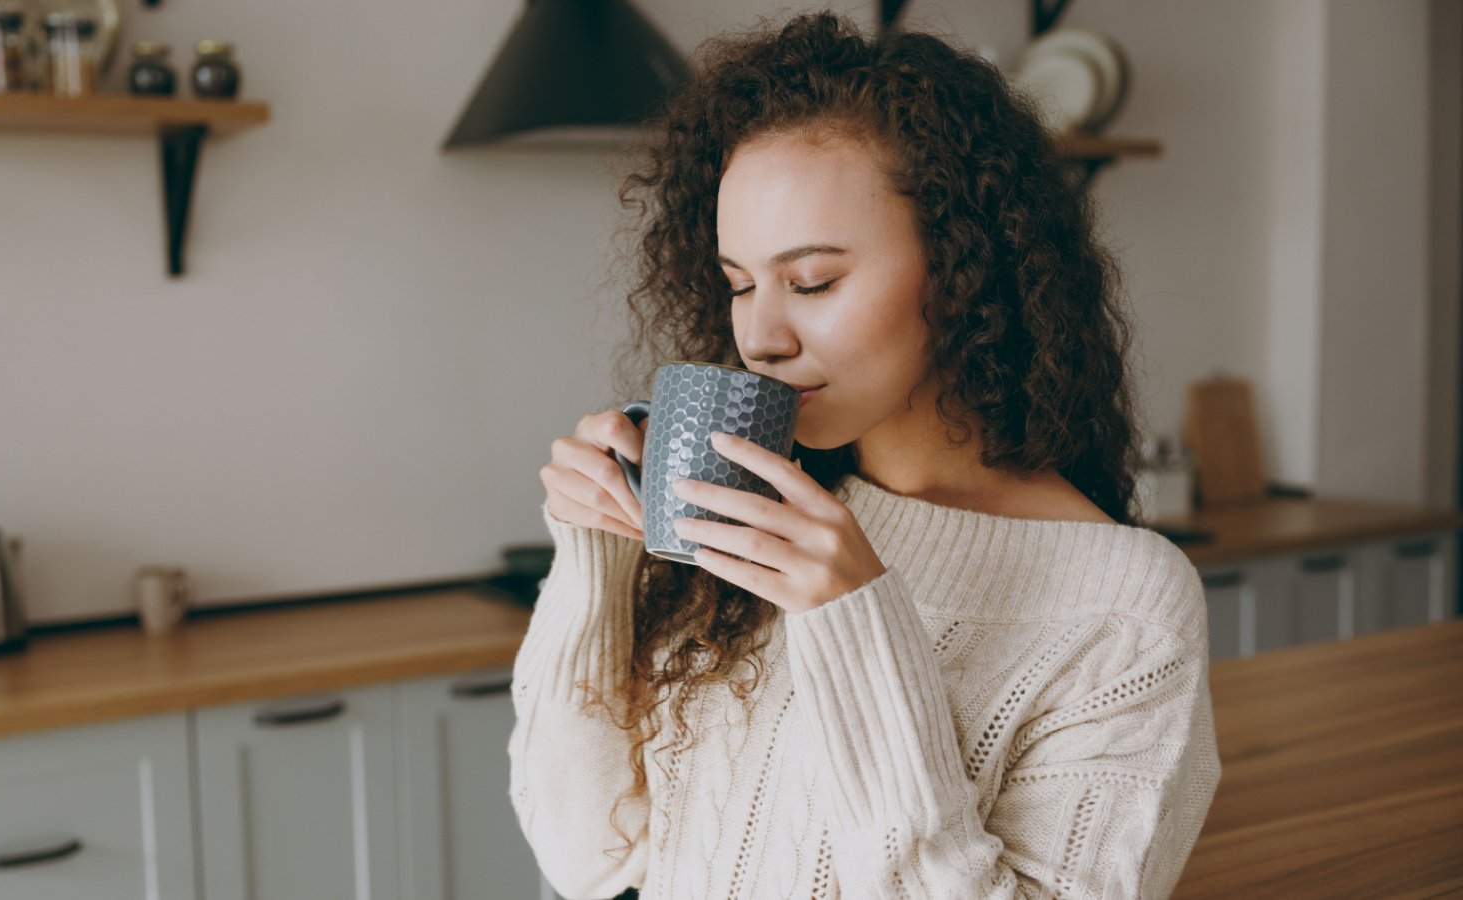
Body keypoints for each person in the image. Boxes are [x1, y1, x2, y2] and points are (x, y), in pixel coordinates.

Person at [511, 11, 1221, 900]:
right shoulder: (739, 523)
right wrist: (595, 560)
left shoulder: (1125, 609)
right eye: (739, 283)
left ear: (964, 269)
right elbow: (585, 857)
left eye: (812, 282)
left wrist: (856, 623)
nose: (761, 336)